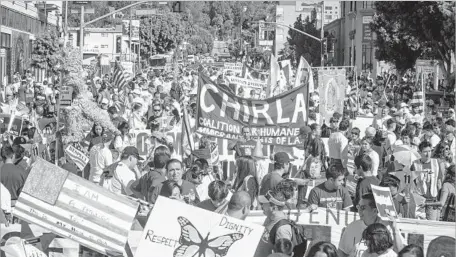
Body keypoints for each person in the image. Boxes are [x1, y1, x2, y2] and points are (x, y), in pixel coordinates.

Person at [338, 193, 404, 257]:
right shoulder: (352, 227)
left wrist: (394, 229)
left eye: (363, 207)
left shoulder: (388, 226)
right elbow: (341, 252)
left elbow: (401, 252)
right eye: (358, 207)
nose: (359, 210)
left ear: (374, 211)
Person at [410, 141, 443, 220]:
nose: (428, 154)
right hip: (420, 201)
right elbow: (411, 183)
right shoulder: (415, 164)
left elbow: (439, 183)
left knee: (432, 225)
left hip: (432, 200)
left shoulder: (436, 163)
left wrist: (439, 201)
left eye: (429, 151)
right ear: (420, 152)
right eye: (425, 152)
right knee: (420, 225)